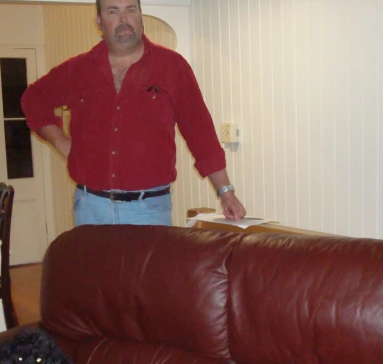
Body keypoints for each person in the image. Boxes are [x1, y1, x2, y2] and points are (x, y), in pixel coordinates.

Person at [21, 0, 246, 226]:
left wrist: (226, 191)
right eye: (113, 11)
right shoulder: (78, 70)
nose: (123, 19)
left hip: (149, 209)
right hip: (91, 209)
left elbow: (200, 132)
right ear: (99, 21)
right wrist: (62, 144)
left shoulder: (172, 67)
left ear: (140, 15)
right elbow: (32, 99)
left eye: (130, 9)